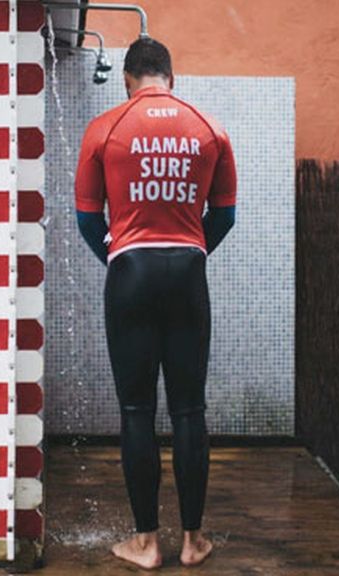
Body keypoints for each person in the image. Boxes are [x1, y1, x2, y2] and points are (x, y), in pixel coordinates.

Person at [74, 37, 237, 569]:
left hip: (130, 276)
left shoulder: (105, 129)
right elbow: (224, 216)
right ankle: (193, 541)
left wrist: (125, 261)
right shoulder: (210, 129)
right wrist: (188, 253)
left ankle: (146, 543)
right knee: (190, 410)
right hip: (188, 274)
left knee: (136, 411)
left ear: (126, 81)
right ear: (171, 77)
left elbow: (87, 220)